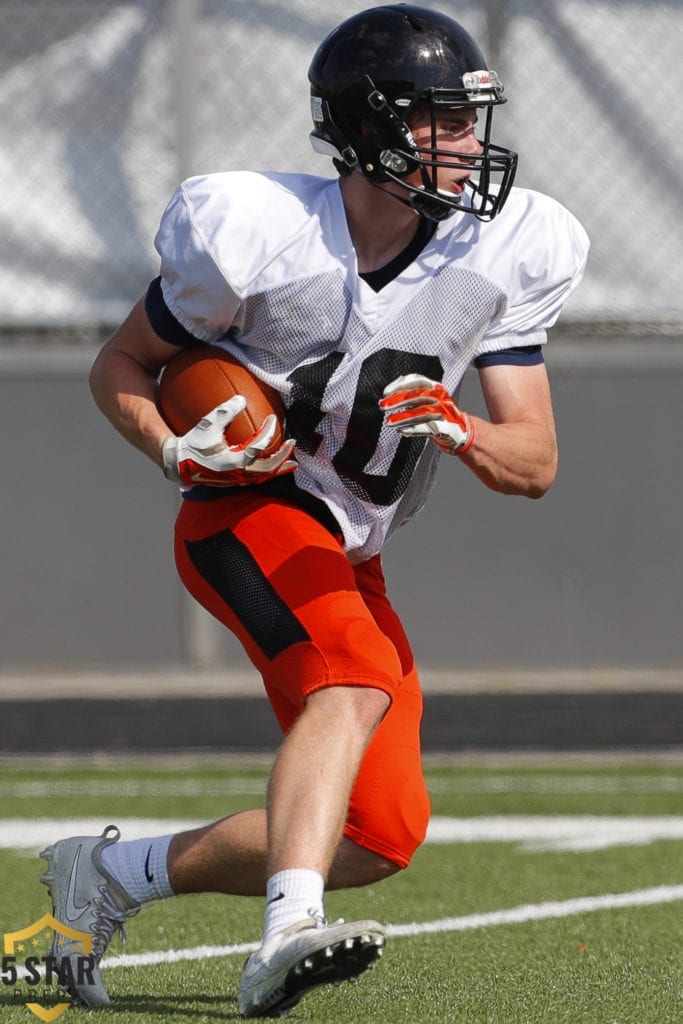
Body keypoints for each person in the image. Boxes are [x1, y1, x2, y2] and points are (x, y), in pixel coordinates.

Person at [39, 4, 589, 1018]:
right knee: (350, 673)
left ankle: (111, 875)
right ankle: (285, 931)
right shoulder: (258, 232)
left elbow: (536, 461)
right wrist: (171, 447)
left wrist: (461, 432)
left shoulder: (513, 244)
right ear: (370, 127)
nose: (470, 144)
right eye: (442, 120)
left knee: (380, 832)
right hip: (247, 511)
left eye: (471, 119)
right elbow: (122, 364)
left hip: (349, 543)